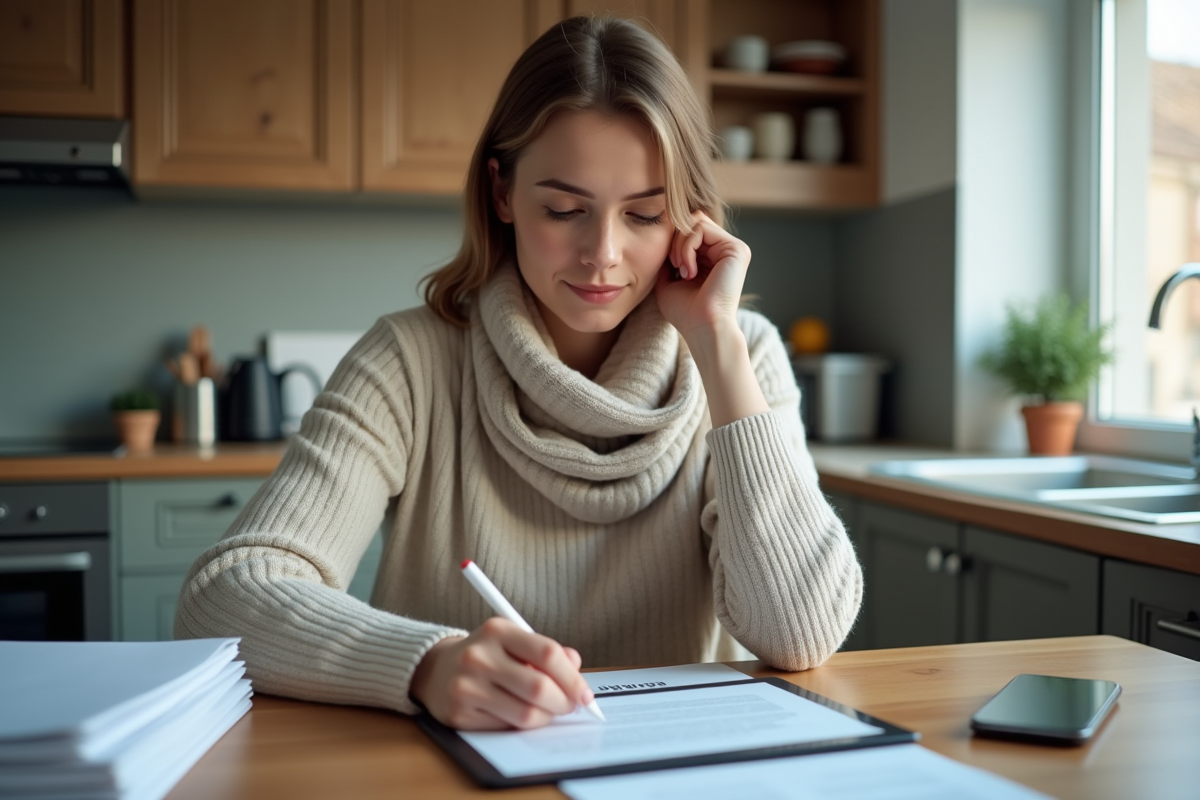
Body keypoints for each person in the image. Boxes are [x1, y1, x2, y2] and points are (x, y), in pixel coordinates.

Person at [175, 16, 862, 732]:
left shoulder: (741, 355)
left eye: (644, 214)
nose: (603, 254)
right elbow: (223, 598)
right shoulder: (410, 362)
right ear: (502, 193)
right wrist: (425, 663)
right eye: (564, 209)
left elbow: (800, 634)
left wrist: (716, 344)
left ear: (689, 215)